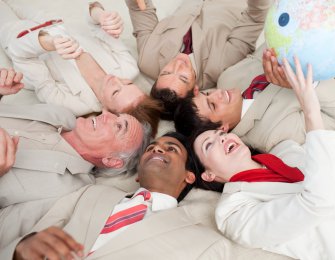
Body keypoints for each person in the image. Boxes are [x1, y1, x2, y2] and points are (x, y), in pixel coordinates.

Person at [192, 54, 335, 259]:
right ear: (208, 175)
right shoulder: (233, 214)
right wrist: (310, 110)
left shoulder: (286, 151)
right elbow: (320, 202)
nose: (221, 139)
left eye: (221, 134)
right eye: (209, 145)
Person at [0, 132, 231, 260]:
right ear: (138, 176)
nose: (157, 149)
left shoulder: (206, 243)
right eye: (151, 147)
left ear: (189, 177)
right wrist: (20, 251)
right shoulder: (89, 193)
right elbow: (36, 238)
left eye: (171, 148)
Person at [175, 39, 335, 152]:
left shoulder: (228, 78)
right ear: (222, 129)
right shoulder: (269, 136)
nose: (218, 94)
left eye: (207, 93)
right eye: (212, 105)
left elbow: (268, 47)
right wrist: (301, 84)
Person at [0, 1, 162, 135]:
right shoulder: (128, 67)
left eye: (115, 92)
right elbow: (93, 11)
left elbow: (21, 55)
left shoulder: (71, 103)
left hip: (18, 37)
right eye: (128, 84)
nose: (116, 80)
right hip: (52, 21)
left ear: (106, 111)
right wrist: (102, 16)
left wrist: (48, 43)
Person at [0, 103, 151, 247]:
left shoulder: (65, 193)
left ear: (111, 160)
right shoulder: (61, 114)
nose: (105, 113)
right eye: (115, 115)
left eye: (118, 127)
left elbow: (5, 238)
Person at [125, 0, 272, 119]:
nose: (178, 64)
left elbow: (139, 8)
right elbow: (255, 17)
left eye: (166, 72)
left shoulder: (148, 59)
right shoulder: (223, 65)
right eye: (183, 77)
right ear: (195, 90)